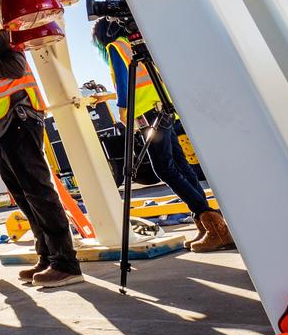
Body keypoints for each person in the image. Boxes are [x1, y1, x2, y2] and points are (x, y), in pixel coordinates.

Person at [0, 4, 82, 287]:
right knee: (22, 194)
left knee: (38, 189)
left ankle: (65, 263)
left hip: (18, 119)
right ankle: (46, 255)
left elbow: (15, 67)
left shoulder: (0, 37)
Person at [92, 19, 233, 253]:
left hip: (148, 114)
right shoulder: (132, 44)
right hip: (162, 109)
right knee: (179, 164)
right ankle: (207, 223)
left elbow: (125, 86)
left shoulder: (114, 48)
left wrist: (123, 114)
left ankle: (213, 225)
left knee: (163, 168)